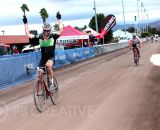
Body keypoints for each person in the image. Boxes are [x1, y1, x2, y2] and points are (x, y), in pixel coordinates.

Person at [22, 12, 63, 91]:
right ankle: (43, 89)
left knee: (48, 66)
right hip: (43, 59)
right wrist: (25, 23)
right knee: (40, 72)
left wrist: (59, 19)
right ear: (43, 30)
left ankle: (51, 84)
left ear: (50, 30)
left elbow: (61, 30)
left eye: (48, 31)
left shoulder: (53, 36)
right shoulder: (39, 36)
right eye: (45, 30)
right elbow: (28, 34)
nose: (46, 32)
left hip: (51, 57)